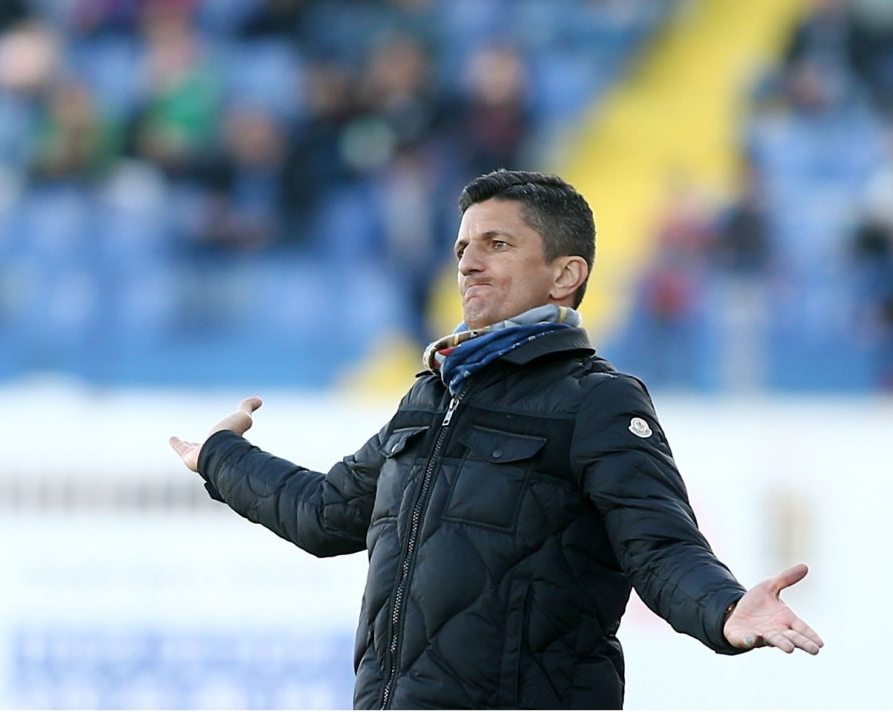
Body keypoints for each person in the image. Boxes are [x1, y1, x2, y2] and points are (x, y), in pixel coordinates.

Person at [169, 170, 824, 709]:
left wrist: (724, 609)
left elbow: (660, 547)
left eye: (497, 244)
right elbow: (326, 512)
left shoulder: (597, 400)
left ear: (565, 275)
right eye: (462, 248)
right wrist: (221, 458)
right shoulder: (430, 396)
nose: (469, 264)